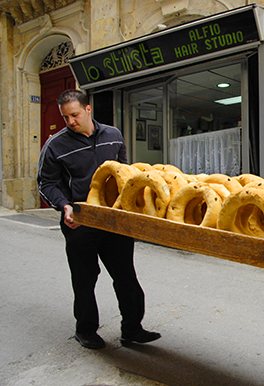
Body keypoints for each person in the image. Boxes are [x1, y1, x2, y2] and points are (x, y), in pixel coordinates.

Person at [38, 89, 161, 349]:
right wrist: (64, 207)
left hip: (114, 220)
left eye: (75, 114)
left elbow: (125, 174)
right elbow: (46, 183)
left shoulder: (112, 135)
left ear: (88, 109)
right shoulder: (55, 145)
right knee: (85, 278)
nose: (71, 121)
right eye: (65, 117)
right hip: (80, 221)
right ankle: (85, 330)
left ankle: (132, 329)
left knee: (126, 276)